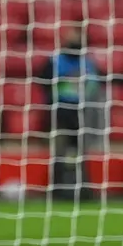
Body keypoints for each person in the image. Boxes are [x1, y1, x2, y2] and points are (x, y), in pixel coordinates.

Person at [37, 23, 103, 201]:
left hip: (81, 113)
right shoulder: (55, 61)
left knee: (81, 153)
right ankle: (56, 190)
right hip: (60, 112)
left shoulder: (88, 63)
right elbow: (43, 83)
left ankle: (84, 191)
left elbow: (97, 85)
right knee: (60, 151)